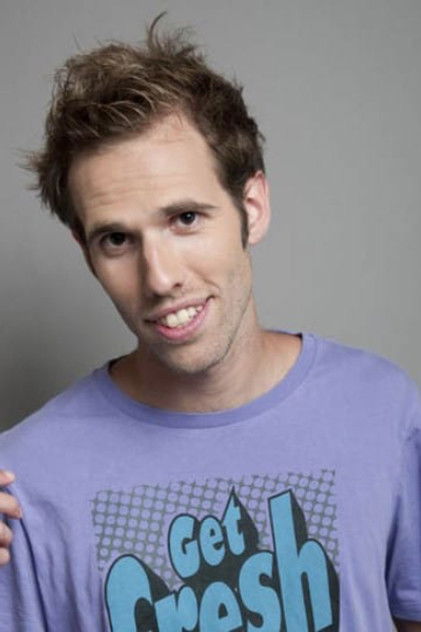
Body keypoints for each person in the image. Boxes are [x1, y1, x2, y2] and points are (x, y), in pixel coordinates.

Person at [0, 17, 420, 632]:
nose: (160, 277)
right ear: (86, 253)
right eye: (116, 239)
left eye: (186, 219)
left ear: (252, 206)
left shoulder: (382, 411)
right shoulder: (24, 481)